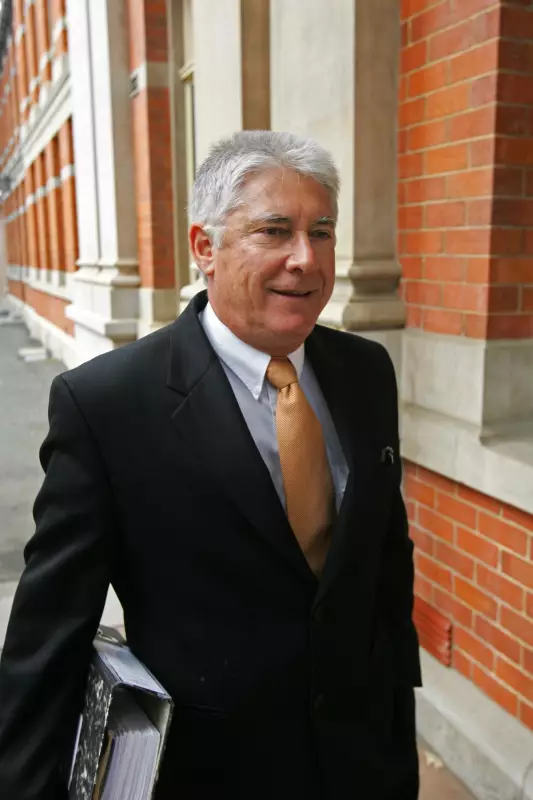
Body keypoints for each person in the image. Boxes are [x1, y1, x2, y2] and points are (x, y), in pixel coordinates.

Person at [0, 130, 421, 799]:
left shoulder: (365, 371)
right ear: (205, 248)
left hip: (362, 761)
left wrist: (397, 721)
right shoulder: (108, 404)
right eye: (274, 231)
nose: (305, 259)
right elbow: (50, 631)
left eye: (321, 232)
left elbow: (384, 561)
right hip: (211, 771)